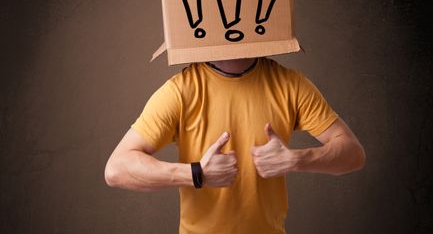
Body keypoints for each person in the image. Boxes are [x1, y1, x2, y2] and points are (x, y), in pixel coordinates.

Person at [105, 56, 366, 234]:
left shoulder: (290, 84)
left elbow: (353, 154)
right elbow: (116, 169)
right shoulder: (181, 90)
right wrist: (197, 173)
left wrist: (298, 159)